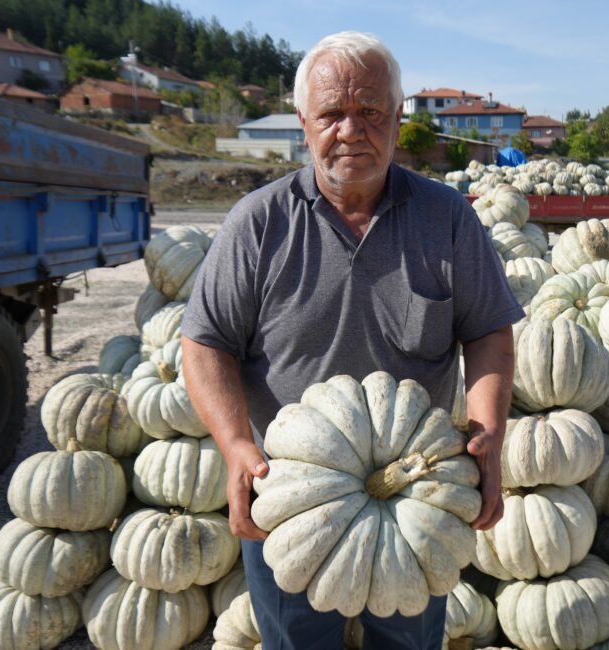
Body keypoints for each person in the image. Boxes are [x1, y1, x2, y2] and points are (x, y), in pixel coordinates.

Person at [180, 31, 524, 650]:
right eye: (332, 114)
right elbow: (205, 343)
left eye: (369, 112)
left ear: (396, 119)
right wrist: (234, 446)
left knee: (408, 643)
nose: (350, 130)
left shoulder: (447, 218)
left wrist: (489, 436)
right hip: (290, 493)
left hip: (417, 490)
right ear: (304, 124)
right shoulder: (259, 223)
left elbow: (490, 334)